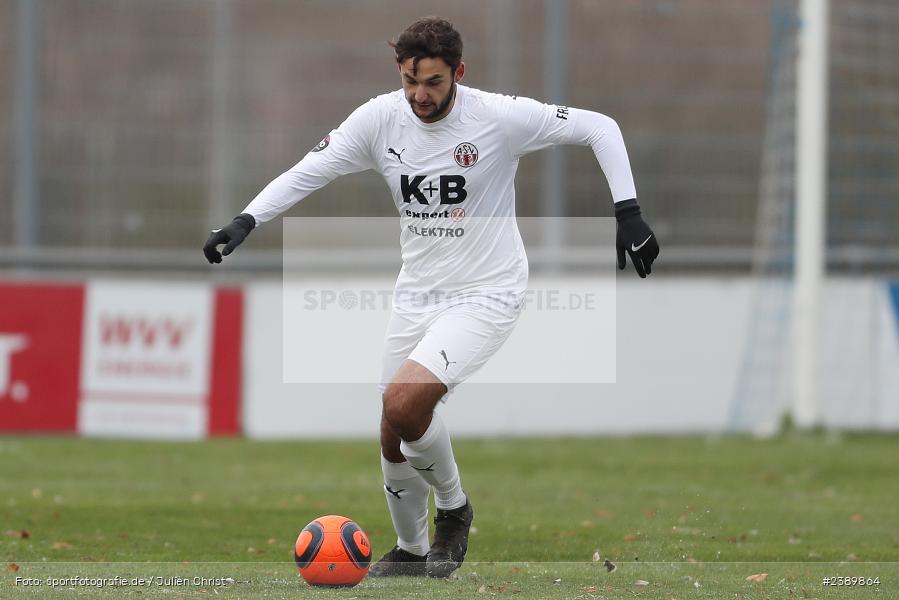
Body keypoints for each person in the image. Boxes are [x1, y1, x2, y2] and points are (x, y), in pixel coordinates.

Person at [203, 16, 659, 578]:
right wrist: (247, 219)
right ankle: (413, 550)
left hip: (487, 293)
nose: (419, 95)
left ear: (459, 74)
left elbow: (600, 127)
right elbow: (309, 170)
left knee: (404, 403)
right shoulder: (379, 119)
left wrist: (628, 211)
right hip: (416, 294)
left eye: (434, 83)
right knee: (392, 427)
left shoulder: (497, 118)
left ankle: (455, 510)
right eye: (409, 81)